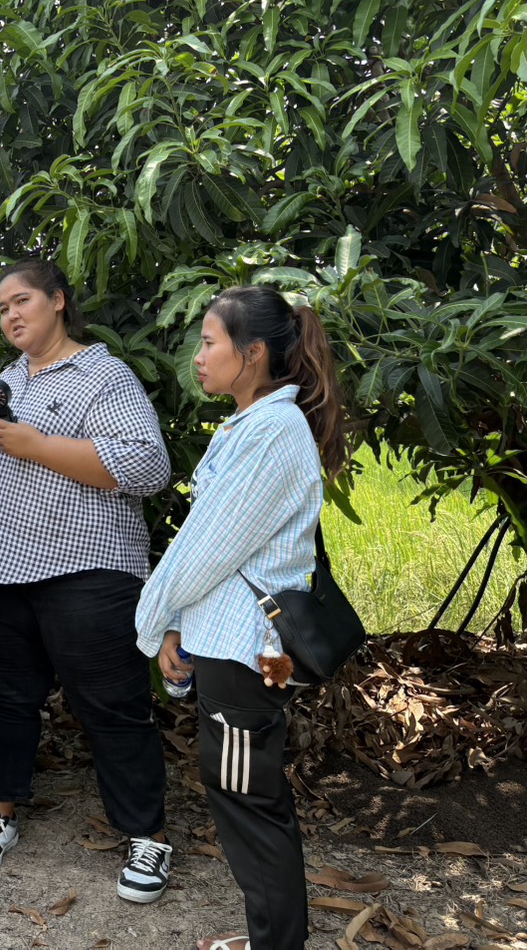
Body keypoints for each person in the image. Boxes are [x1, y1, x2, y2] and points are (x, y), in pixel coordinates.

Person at [135, 285, 351, 950]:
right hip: (237, 644)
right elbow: (221, 552)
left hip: (246, 654)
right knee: (244, 795)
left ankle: (275, 944)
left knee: (248, 804)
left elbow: (204, 547)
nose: (197, 356)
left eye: (209, 341)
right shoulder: (257, 426)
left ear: (251, 354)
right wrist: (177, 627)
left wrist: (151, 619)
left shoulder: (269, 433)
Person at [0, 259, 174, 901]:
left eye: (21, 300)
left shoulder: (103, 375)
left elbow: (147, 466)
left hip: (86, 568)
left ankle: (146, 836)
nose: (11, 316)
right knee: (3, 697)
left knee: (111, 705)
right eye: (2, 308)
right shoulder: (3, 382)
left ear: (57, 301)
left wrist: (39, 445)